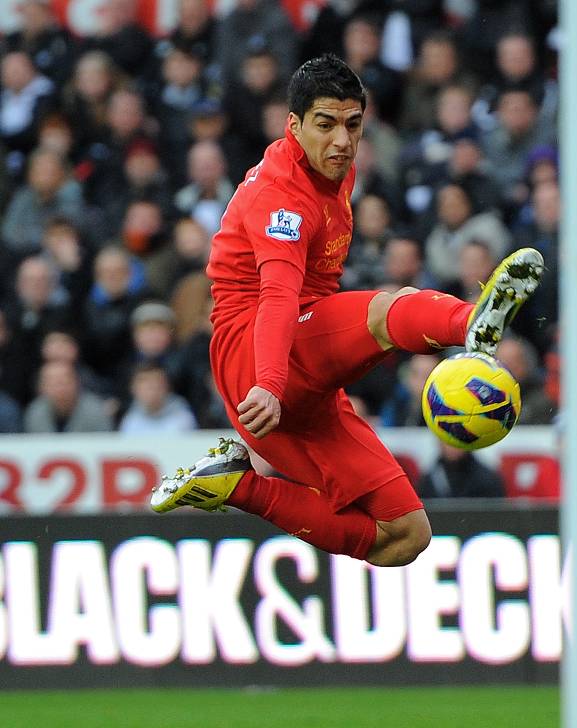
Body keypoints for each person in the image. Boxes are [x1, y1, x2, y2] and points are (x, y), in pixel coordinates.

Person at [150, 56, 543, 569]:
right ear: (293, 126)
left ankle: (236, 486)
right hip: (259, 355)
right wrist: (267, 382)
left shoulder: (335, 168)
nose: (342, 140)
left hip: (298, 380)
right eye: (325, 124)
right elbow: (278, 296)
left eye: (353, 125)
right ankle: (470, 324)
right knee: (382, 313)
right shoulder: (281, 200)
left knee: (404, 536)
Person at [416, 443, 506, 499]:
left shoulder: (488, 479)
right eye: (447, 441)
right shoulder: (429, 479)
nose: (452, 446)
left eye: (456, 441)